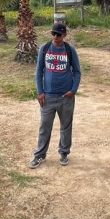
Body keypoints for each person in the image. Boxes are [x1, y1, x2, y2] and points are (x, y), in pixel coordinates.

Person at [29, 23, 81, 168]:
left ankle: (64, 153)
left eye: (59, 34)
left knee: (66, 126)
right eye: (53, 34)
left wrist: (73, 90)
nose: (55, 37)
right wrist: (40, 92)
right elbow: (39, 72)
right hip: (48, 97)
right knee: (45, 127)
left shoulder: (70, 50)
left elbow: (77, 71)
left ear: (64, 35)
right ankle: (39, 155)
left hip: (66, 97)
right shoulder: (44, 49)